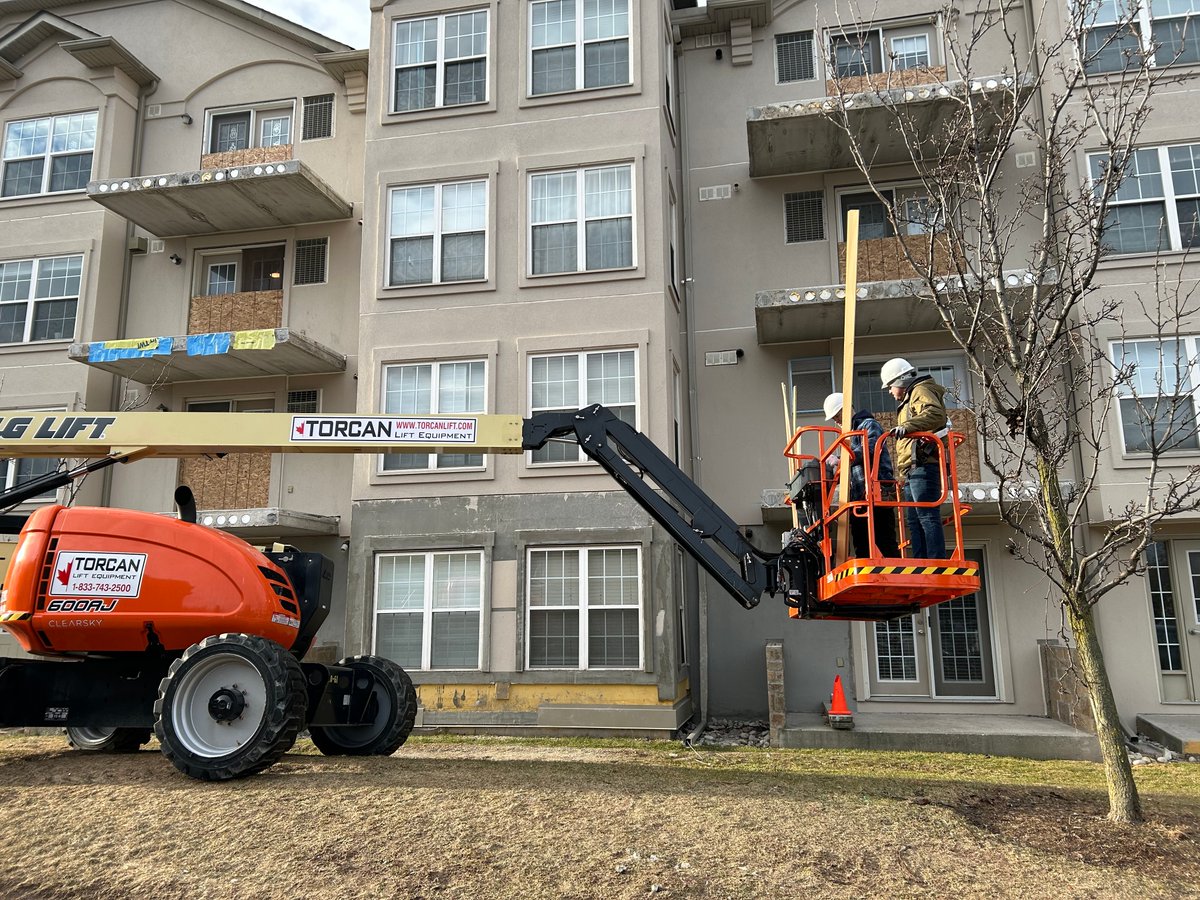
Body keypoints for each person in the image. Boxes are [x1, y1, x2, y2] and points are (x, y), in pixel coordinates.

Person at [880, 358, 948, 559]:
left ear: (900, 381)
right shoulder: (911, 398)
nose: (890, 392)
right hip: (913, 468)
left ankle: (935, 561)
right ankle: (922, 560)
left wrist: (908, 427)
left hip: (924, 465)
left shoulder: (920, 390)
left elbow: (936, 415)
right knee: (914, 519)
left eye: (890, 387)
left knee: (926, 515)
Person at [823, 392, 901, 559]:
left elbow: (870, 449)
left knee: (884, 539)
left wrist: (841, 459)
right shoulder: (848, 436)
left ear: (846, 409)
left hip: (877, 491)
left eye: (837, 415)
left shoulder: (868, 425)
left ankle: (893, 568)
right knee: (861, 542)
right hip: (860, 495)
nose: (836, 421)